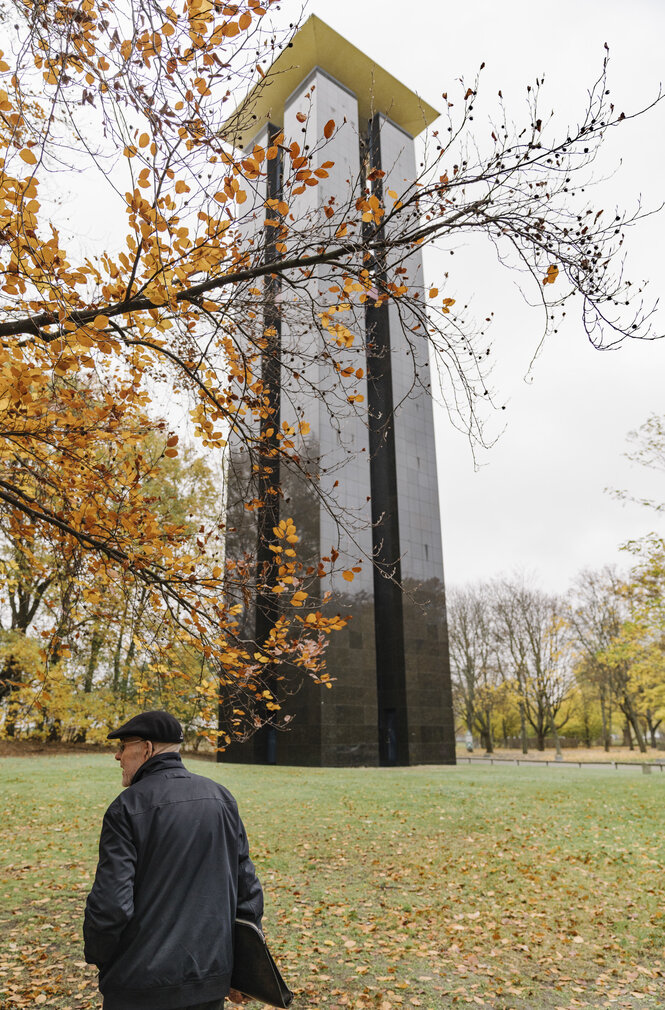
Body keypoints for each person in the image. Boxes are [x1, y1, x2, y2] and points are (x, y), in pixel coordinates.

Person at [83, 710, 263, 1010]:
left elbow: (111, 905)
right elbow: (249, 894)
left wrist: (100, 956)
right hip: (208, 985)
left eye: (123, 746)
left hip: (138, 987)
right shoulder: (222, 799)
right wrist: (240, 968)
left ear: (147, 749)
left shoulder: (125, 808)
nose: (117, 756)